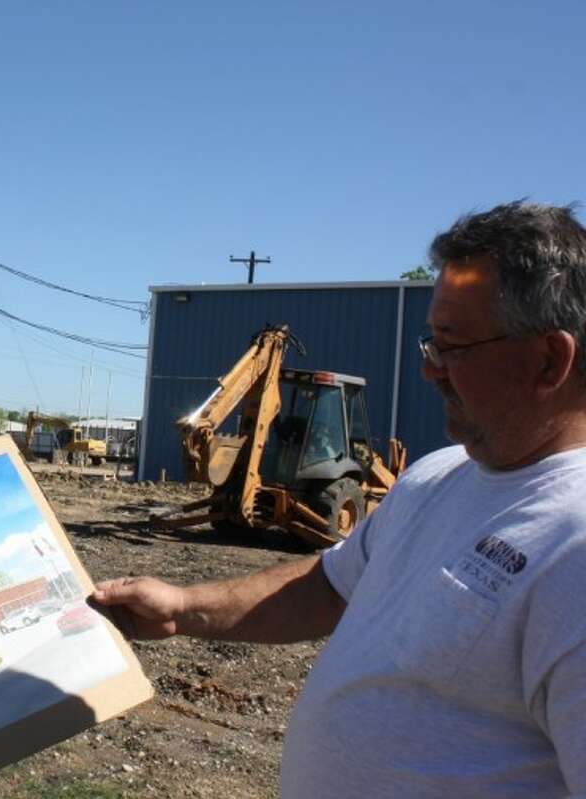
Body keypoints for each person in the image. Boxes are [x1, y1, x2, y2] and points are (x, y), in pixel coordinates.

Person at [93, 201, 586, 797]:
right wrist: (180, 607)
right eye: (431, 343)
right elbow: (329, 586)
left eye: (453, 346)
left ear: (549, 360)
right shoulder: (436, 478)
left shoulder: (574, 547)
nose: (430, 369)